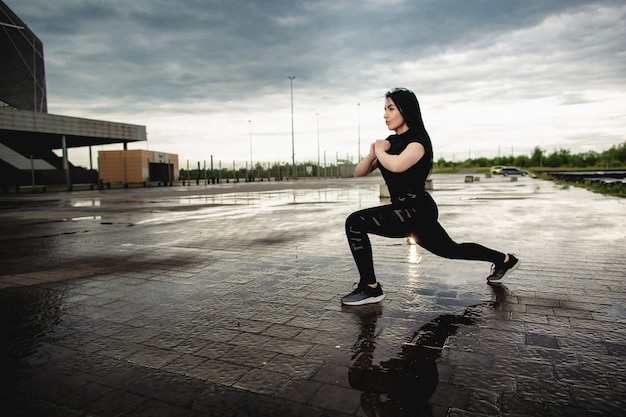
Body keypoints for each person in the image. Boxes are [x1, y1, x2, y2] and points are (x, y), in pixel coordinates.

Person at [341, 88, 520, 306]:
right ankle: (505, 260)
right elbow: (360, 171)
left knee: (355, 222)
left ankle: (371, 287)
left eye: (390, 108)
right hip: (403, 211)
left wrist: (380, 151)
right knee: (452, 250)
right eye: (384, 109)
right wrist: (372, 153)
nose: (385, 115)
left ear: (405, 110)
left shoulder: (418, 141)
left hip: (416, 211)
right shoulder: (390, 142)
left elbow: (396, 166)